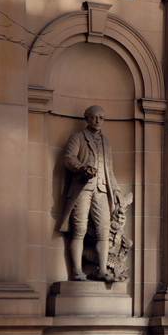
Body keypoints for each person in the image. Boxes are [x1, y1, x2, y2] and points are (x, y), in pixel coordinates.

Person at [60, 105, 122, 282]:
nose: (97, 121)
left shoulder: (107, 143)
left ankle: (102, 270)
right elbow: (68, 158)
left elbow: (109, 171)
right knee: (79, 230)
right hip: (82, 188)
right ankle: (77, 271)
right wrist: (81, 168)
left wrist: (116, 190)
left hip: (101, 190)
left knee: (104, 230)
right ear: (86, 118)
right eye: (94, 117)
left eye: (101, 118)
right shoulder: (77, 138)